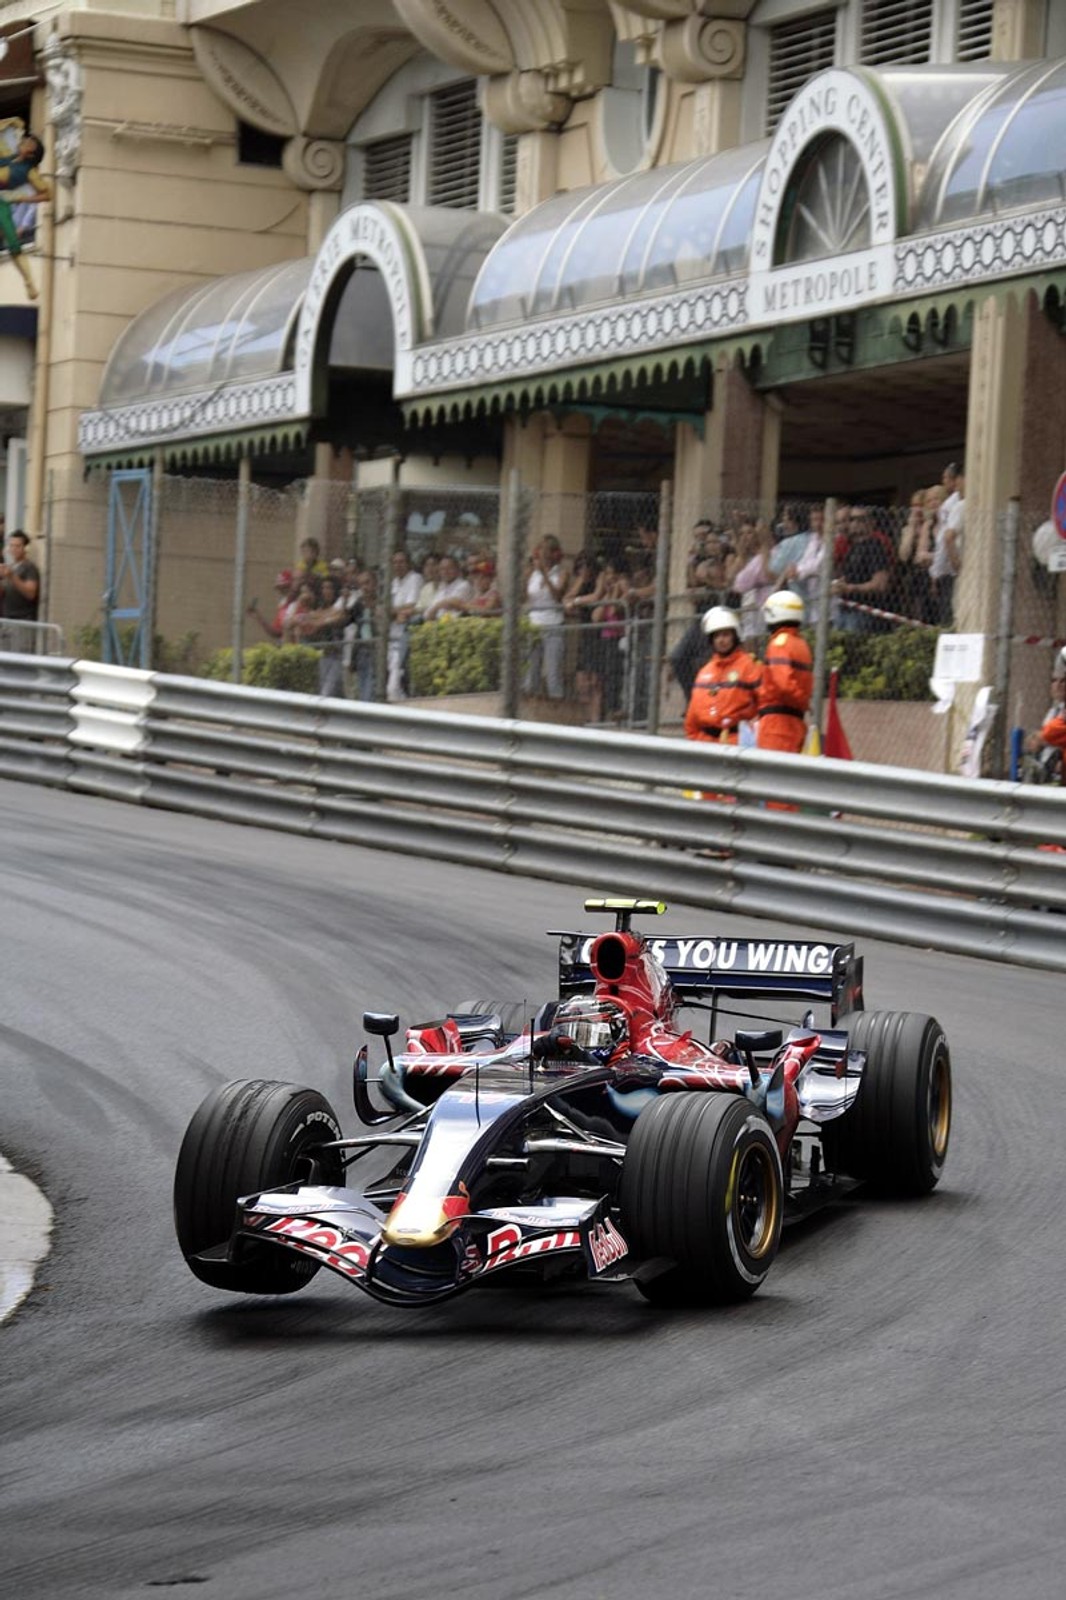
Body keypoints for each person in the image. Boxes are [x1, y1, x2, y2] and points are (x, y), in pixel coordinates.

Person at [684, 605, 761, 746]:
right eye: (717, 635)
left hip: (737, 744)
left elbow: (764, 703)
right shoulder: (705, 671)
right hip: (705, 745)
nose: (721, 640)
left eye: (726, 635)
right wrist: (697, 742)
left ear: (735, 636)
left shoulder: (749, 666)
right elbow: (692, 719)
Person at [756, 590, 812, 755]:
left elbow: (784, 684)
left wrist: (801, 701)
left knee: (770, 775)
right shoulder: (801, 644)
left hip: (777, 724)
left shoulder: (779, 644)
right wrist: (803, 703)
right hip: (795, 721)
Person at [0, 126, 51, 301]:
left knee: (14, 243)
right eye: (26, 140)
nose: (24, 142)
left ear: (32, 154)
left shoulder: (29, 171)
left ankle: (29, 282)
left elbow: (47, 194)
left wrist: (21, 198)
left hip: (2, 202)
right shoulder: (11, 157)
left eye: (29, 143)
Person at [831, 507, 892, 633]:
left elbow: (880, 584)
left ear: (871, 522)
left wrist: (852, 588)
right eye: (852, 519)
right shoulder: (853, 546)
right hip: (847, 607)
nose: (855, 523)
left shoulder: (874, 546)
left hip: (864, 610)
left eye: (860, 519)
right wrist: (839, 584)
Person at [523, 536, 569, 699]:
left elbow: (558, 596)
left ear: (552, 553)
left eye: (545, 550)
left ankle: (556, 706)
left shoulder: (561, 572)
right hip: (534, 624)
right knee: (531, 671)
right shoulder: (532, 573)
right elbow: (523, 597)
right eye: (539, 549)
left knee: (553, 673)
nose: (541, 553)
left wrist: (545, 574)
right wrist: (526, 574)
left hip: (553, 624)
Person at [386, 548, 424, 700]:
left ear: (409, 563)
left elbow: (412, 606)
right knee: (390, 670)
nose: (398, 565)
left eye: (401, 562)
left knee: (397, 675)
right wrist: (393, 612)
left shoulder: (415, 578)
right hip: (392, 632)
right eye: (395, 562)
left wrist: (391, 611)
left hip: (406, 630)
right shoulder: (394, 582)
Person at [0, 530, 40, 621]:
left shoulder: (29, 567)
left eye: (18, 546)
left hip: (23, 619)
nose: (14, 549)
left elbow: (31, 593)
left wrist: (12, 576)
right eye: (11, 545)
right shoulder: (10, 567)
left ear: (25, 548)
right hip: (7, 618)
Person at [247, 569, 295, 642]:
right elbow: (275, 632)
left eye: (285, 587)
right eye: (279, 588)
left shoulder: (296, 603)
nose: (281, 591)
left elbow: (278, 633)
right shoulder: (283, 606)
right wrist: (257, 616)